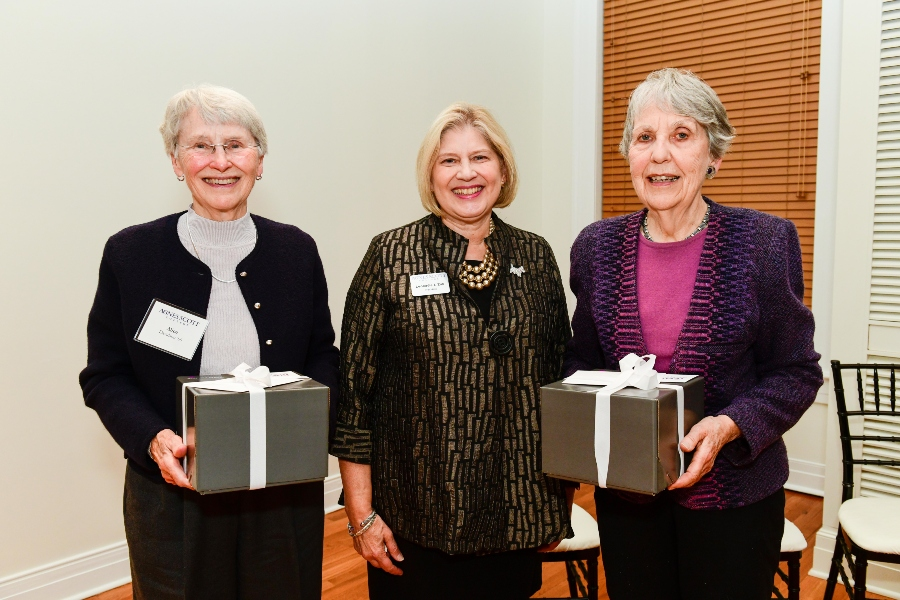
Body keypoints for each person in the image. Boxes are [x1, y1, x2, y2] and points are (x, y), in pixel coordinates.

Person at [564, 68, 823, 600]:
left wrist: (729, 425)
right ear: (629, 156)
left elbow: (796, 371)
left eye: (681, 135)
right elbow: (580, 366)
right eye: (644, 137)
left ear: (714, 156)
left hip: (735, 498)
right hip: (628, 498)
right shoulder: (596, 247)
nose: (659, 154)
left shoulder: (764, 242)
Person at [79, 84, 339, 599]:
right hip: (173, 496)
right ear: (177, 161)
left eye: (236, 145)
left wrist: (310, 421)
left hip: (280, 492)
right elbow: (105, 375)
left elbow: (322, 356)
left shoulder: (296, 250)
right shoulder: (131, 254)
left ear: (259, 160)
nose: (220, 161)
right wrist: (154, 439)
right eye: (201, 146)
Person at [330, 102, 573, 600]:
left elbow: (560, 387)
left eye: (481, 158)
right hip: (416, 520)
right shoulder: (390, 256)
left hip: (516, 512)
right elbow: (355, 396)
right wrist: (361, 515)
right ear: (430, 175)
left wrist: (558, 500)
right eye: (448, 161)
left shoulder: (536, 256)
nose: (467, 174)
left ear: (502, 171)